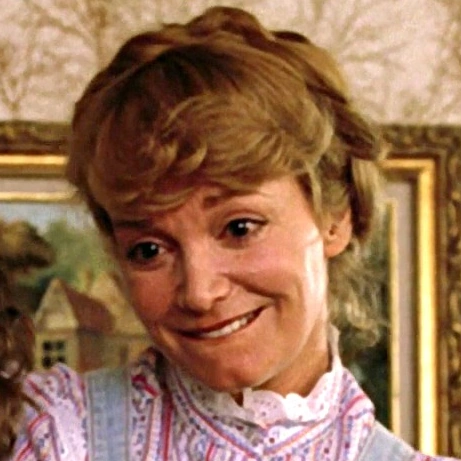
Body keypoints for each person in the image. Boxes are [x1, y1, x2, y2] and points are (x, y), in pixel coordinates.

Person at [9, 6, 459, 460]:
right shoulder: (54, 436)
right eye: (148, 250)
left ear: (336, 217)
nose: (200, 293)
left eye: (239, 228)